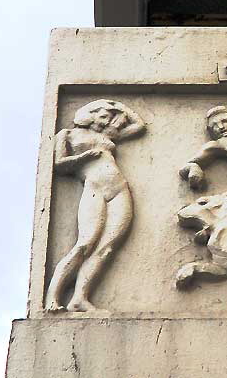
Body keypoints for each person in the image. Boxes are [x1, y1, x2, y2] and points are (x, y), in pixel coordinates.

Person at [46, 99, 146, 312]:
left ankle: (79, 298)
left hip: (118, 189)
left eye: (110, 118)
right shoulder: (67, 135)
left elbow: (139, 126)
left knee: (106, 248)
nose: (107, 121)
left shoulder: (107, 136)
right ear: (89, 115)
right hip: (94, 189)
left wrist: (119, 106)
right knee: (84, 244)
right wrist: (83, 157)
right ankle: (52, 298)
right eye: (103, 116)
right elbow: (58, 164)